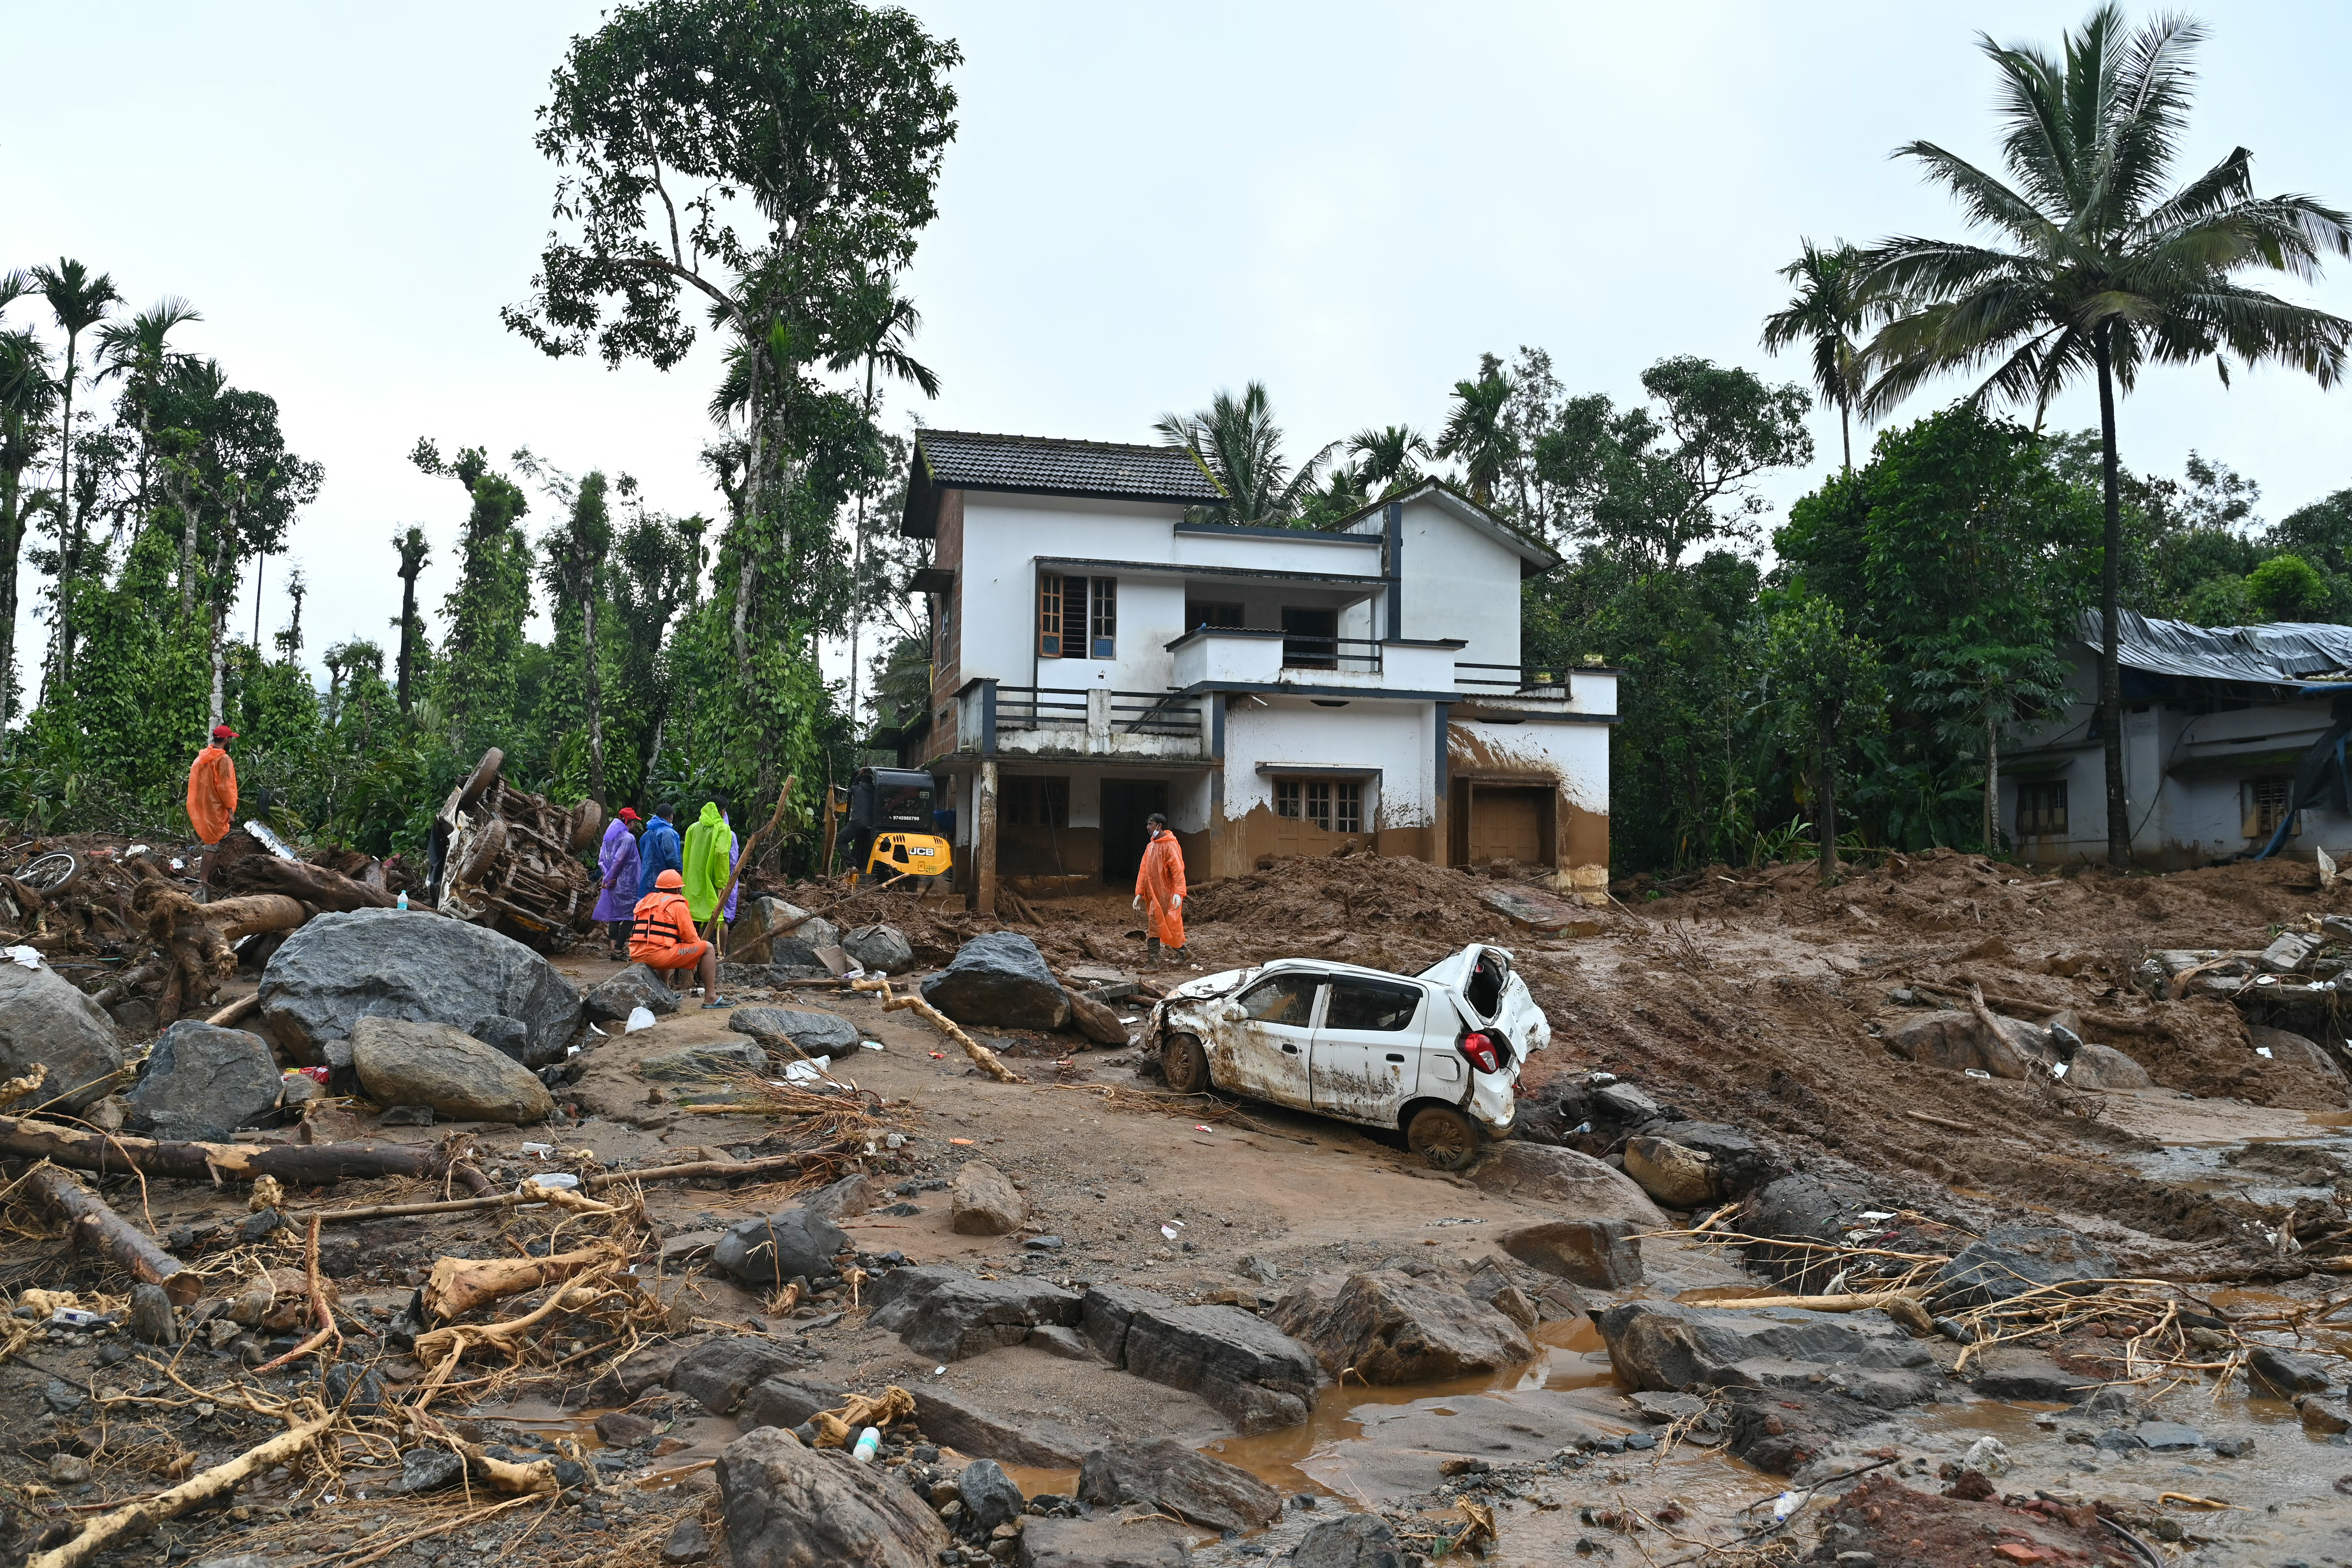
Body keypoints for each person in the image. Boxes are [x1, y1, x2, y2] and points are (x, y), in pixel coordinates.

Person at [628, 868, 726, 1006]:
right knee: (708, 948)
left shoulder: (646, 901)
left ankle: (665, 990)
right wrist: (695, 951)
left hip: (637, 954)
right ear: (679, 889)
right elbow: (691, 938)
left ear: (659, 888)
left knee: (667, 944)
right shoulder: (677, 904)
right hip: (658, 956)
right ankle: (711, 997)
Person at [186, 724, 239, 898]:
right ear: (226, 740)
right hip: (216, 807)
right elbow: (225, 788)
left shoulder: (202, 758)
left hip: (203, 806)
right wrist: (230, 812)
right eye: (230, 738)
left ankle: (209, 879)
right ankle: (203, 882)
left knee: (211, 842)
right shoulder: (223, 760)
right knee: (212, 844)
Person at [1133, 810, 1188, 965]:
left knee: (1168, 925)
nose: (1148, 827)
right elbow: (1144, 870)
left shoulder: (1170, 845)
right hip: (1153, 895)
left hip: (1167, 895)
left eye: (1150, 824)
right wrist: (1140, 893)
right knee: (1158, 925)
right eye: (1148, 824)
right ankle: (1181, 953)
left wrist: (1178, 892)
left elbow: (1178, 870)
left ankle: (1154, 963)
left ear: (1159, 825)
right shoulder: (1150, 847)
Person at [593, 808, 643, 958]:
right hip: (626, 883)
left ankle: (613, 948)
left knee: (615, 915)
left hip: (612, 882)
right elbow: (619, 860)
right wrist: (612, 877)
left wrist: (607, 878)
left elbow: (602, 860)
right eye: (634, 821)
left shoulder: (610, 836)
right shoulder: (628, 838)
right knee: (630, 916)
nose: (635, 824)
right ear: (629, 822)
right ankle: (619, 950)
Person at [681, 799, 735, 926]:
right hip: (711, 882)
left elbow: (687, 855)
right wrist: (721, 882)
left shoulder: (693, 828)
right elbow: (722, 853)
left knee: (693, 917)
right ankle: (706, 945)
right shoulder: (723, 829)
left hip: (692, 882)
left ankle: (694, 945)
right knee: (710, 918)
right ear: (723, 811)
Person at [637, 803, 684, 900]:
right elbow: (672, 857)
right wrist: (680, 871)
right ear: (671, 816)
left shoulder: (648, 833)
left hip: (648, 877)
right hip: (666, 879)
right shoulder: (668, 832)